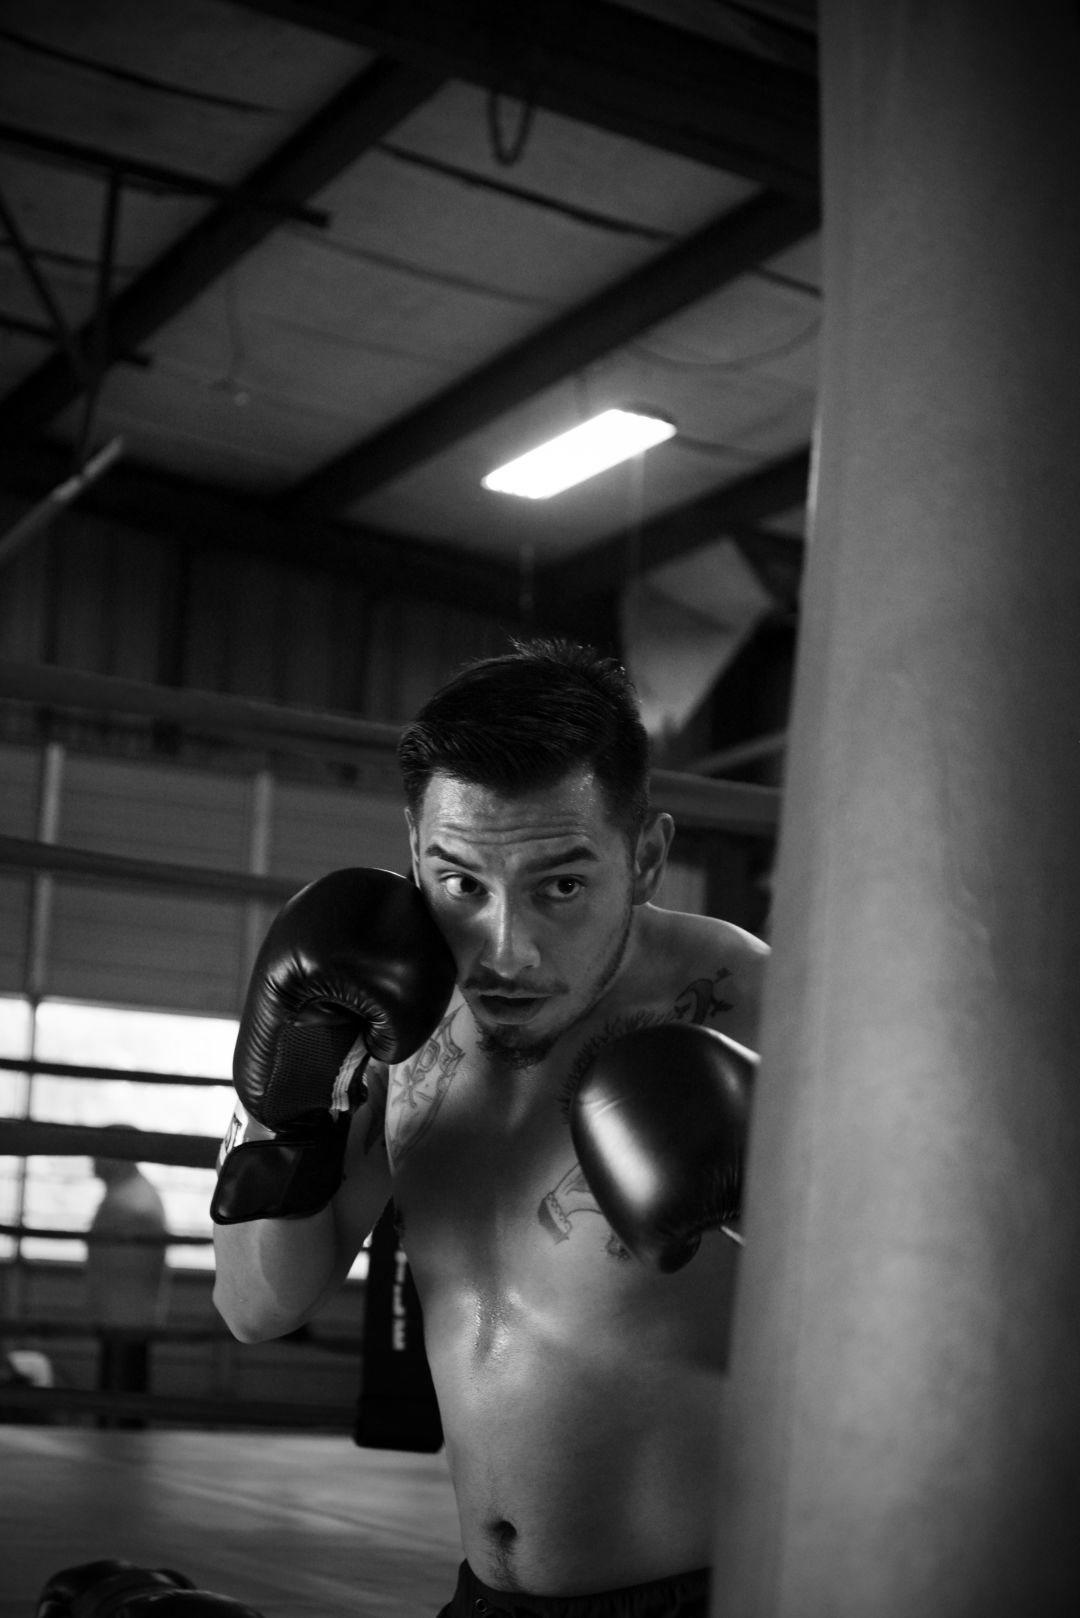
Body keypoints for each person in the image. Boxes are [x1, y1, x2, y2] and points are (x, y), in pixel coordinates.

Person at [211, 639, 769, 1617]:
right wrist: (286, 1111)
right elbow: (259, 1306)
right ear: (414, 849)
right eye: (462, 882)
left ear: (646, 857)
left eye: (559, 885)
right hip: (484, 1598)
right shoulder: (381, 1013)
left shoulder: (759, 1009)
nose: (504, 949)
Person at [86, 1153, 170, 1427]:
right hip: (124, 1309)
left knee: (122, 1384)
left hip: (125, 1311)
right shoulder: (131, 1195)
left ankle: (119, 1439)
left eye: (100, 1155)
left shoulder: (131, 1202)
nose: (94, 1163)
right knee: (123, 1382)